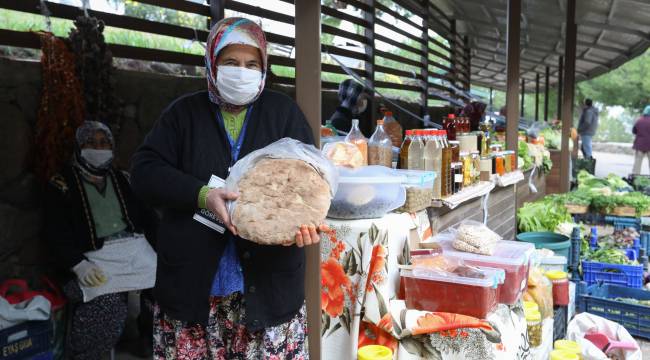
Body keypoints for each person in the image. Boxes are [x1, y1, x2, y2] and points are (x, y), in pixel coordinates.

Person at [130, 17, 325, 359]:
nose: (242, 71)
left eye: (252, 64)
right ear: (212, 63)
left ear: (265, 67)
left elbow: (311, 181)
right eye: (231, 63)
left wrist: (300, 226)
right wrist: (202, 194)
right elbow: (144, 173)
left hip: (268, 289)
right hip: (194, 290)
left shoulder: (283, 114)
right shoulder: (183, 115)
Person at [44, 121, 159, 359]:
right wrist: (78, 264)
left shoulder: (124, 179)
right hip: (91, 258)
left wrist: (167, 250)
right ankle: (86, 354)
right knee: (108, 304)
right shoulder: (62, 184)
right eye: (90, 142)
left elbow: (149, 219)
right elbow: (55, 231)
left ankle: (150, 341)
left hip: (133, 249)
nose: (98, 147)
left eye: (104, 142)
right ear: (78, 147)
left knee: (168, 286)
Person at [632, 105, 650, 174]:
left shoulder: (639, 120)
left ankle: (635, 178)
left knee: (637, 163)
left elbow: (634, 131)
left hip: (640, 145)